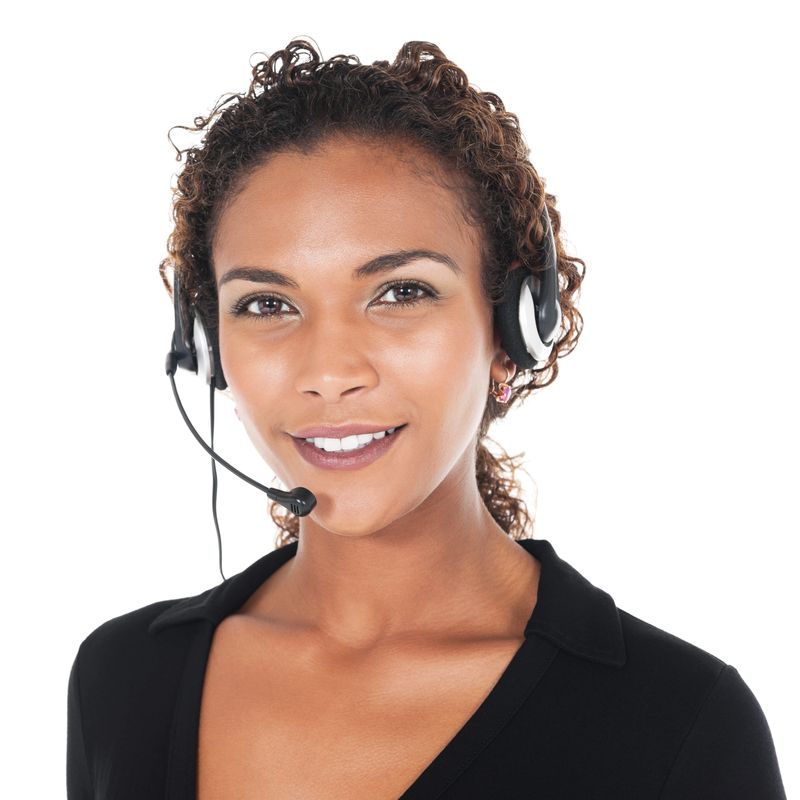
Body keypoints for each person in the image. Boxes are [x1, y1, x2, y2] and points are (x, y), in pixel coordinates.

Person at [66, 38, 787, 799]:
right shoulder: (123, 680)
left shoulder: (676, 725)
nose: (329, 373)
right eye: (267, 304)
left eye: (401, 292)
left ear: (512, 330)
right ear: (206, 346)